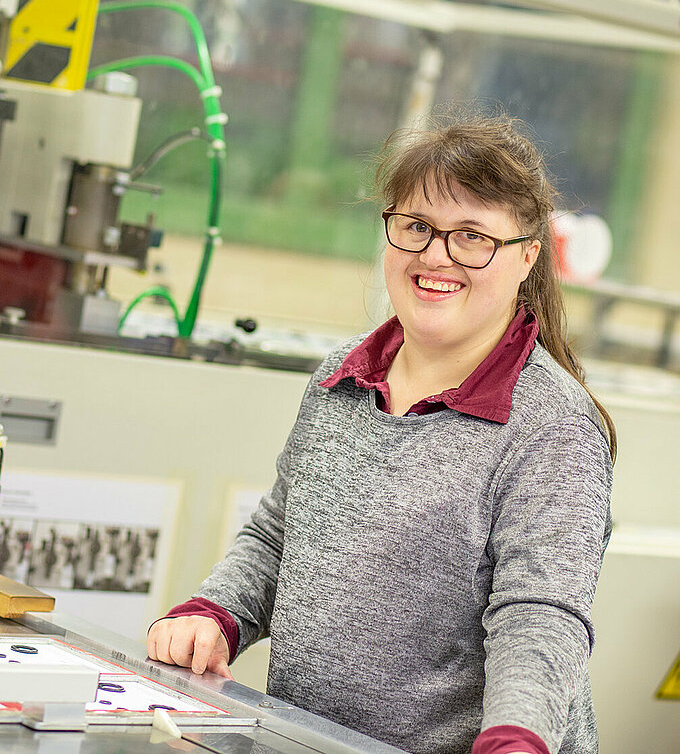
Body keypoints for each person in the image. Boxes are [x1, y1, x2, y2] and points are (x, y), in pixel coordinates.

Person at [147, 115, 615, 754]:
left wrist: (517, 739)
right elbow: (281, 534)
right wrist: (214, 613)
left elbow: (539, 618)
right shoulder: (340, 376)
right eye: (417, 226)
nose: (436, 256)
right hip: (310, 739)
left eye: (473, 236)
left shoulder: (554, 425)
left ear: (528, 254)